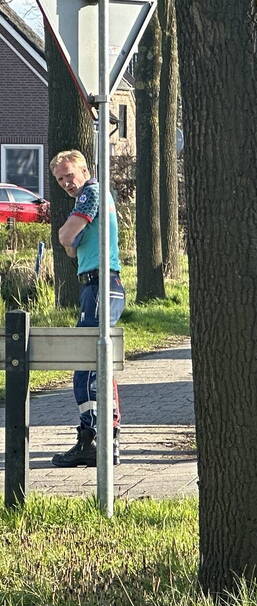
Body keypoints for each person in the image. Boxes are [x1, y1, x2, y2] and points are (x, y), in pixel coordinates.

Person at [49, 149, 125, 468]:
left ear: (84, 170)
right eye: (60, 179)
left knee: (86, 368)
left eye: (70, 174)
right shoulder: (94, 194)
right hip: (101, 284)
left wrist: (67, 236)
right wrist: (70, 241)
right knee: (99, 365)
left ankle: (91, 441)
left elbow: (66, 238)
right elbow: (69, 250)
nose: (67, 182)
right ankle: (109, 441)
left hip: (99, 284)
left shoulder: (90, 193)